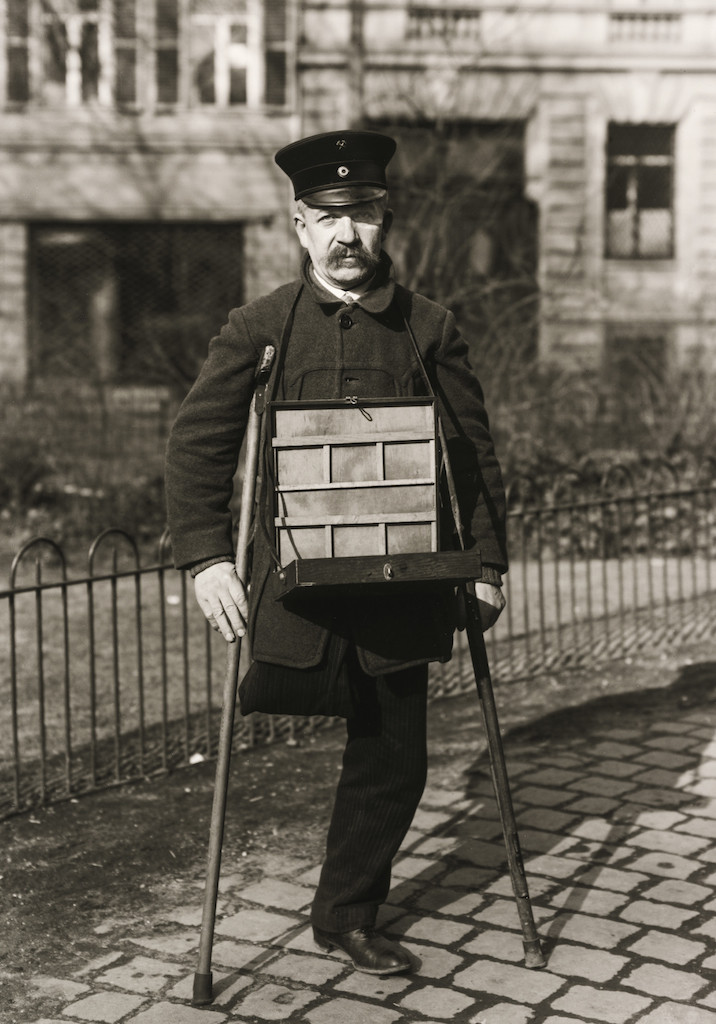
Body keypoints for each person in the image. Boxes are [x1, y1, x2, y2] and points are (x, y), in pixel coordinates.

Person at [165, 129, 508, 976]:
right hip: (298, 596)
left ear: (386, 219)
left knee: (396, 759)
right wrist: (208, 559)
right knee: (277, 701)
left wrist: (490, 564)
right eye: (329, 217)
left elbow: (472, 455)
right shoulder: (261, 328)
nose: (347, 235)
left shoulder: (430, 329)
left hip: (401, 589)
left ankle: (347, 914)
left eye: (363, 214)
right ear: (299, 224)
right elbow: (196, 446)